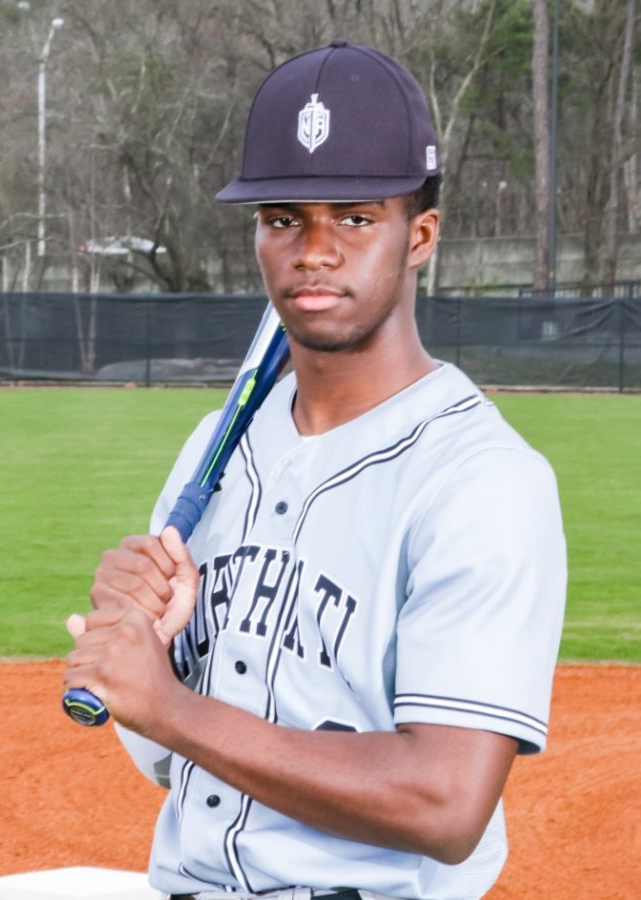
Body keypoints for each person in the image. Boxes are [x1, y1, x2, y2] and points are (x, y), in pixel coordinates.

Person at [63, 41, 566, 900]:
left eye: (357, 217)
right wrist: (153, 660)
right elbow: (174, 764)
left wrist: (178, 707)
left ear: (422, 235)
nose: (316, 249)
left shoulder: (482, 482)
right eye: (284, 215)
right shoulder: (216, 449)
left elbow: (445, 805)